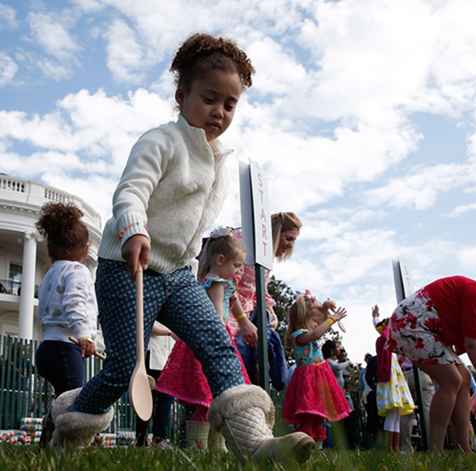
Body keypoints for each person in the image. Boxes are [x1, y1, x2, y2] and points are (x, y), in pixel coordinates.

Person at [46, 33, 315, 463]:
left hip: (178, 276)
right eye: (210, 99)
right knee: (122, 368)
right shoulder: (161, 141)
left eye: (230, 104)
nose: (220, 112)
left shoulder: (221, 160)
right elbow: (132, 190)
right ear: (181, 94)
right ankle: (70, 420)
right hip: (128, 267)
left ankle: (256, 445)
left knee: (217, 345)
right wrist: (134, 228)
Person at [389, 276, 476, 452]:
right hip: (411, 324)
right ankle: (436, 451)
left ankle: (465, 449)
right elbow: (472, 346)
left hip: (425, 329)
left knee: (463, 378)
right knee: (451, 380)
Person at [156, 229, 256, 450]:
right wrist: (227, 333)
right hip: (213, 336)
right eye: (237, 265)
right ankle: (213, 446)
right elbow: (218, 313)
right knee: (212, 393)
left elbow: (235, 307)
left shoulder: (203, 281)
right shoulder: (219, 283)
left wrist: (243, 321)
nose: (240, 270)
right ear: (221, 260)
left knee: (203, 398)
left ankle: (201, 445)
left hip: (194, 339)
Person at [34, 203, 99, 447]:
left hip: (47, 347)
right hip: (65, 347)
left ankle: (47, 443)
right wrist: (84, 334)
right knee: (74, 403)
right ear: (84, 248)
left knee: (60, 401)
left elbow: (45, 308)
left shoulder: (51, 273)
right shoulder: (77, 271)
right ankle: (75, 445)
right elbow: (76, 303)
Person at [234, 213, 302, 388]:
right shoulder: (243, 243)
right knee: (242, 356)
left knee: (269, 338)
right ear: (276, 232)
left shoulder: (265, 259)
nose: (290, 245)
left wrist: (271, 311)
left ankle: (278, 379)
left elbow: (261, 291)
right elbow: (227, 285)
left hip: (251, 313)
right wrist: (242, 320)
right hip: (232, 312)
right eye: (288, 238)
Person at [282, 294, 351, 444]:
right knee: (308, 413)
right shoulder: (298, 335)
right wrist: (332, 319)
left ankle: (315, 445)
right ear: (302, 317)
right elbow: (315, 334)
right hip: (308, 378)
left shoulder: (308, 331)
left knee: (318, 413)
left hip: (319, 375)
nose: (317, 323)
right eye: (313, 319)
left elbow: (318, 330)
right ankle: (303, 443)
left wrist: (326, 311)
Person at [372, 306, 415, 452]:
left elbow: (382, 329)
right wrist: (377, 319)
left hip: (395, 380)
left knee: (395, 415)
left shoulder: (389, 342)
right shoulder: (385, 340)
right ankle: (390, 448)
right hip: (390, 379)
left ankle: (394, 448)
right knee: (392, 415)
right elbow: (383, 330)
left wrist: (376, 318)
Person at [135, 322, 176, 448]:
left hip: (168, 358)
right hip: (152, 354)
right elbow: (147, 324)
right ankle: (141, 437)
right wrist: (170, 331)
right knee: (146, 399)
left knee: (166, 399)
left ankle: (159, 438)